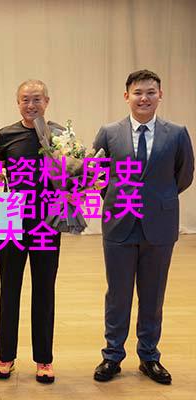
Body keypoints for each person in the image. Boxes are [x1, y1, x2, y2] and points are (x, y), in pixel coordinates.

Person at [92, 70, 194, 384]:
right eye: (138, 92)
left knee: (153, 294)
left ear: (160, 95)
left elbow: (183, 175)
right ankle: (112, 356)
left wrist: (157, 199)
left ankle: (149, 357)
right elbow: (97, 175)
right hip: (119, 224)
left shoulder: (177, 133)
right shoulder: (109, 132)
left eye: (151, 92)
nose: (144, 98)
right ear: (127, 96)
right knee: (118, 295)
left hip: (159, 226)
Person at [0, 80, 63, 384]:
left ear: (47, 101)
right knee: (9, 288)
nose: (31, 105)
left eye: (36, 99)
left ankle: (44, 359)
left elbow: (72, 174)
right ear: (17, 102)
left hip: (47, 216)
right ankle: (5, 356)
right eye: (25, 100)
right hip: (9, 215)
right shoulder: (6, 134)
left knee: (44, 289)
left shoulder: (60, 135)